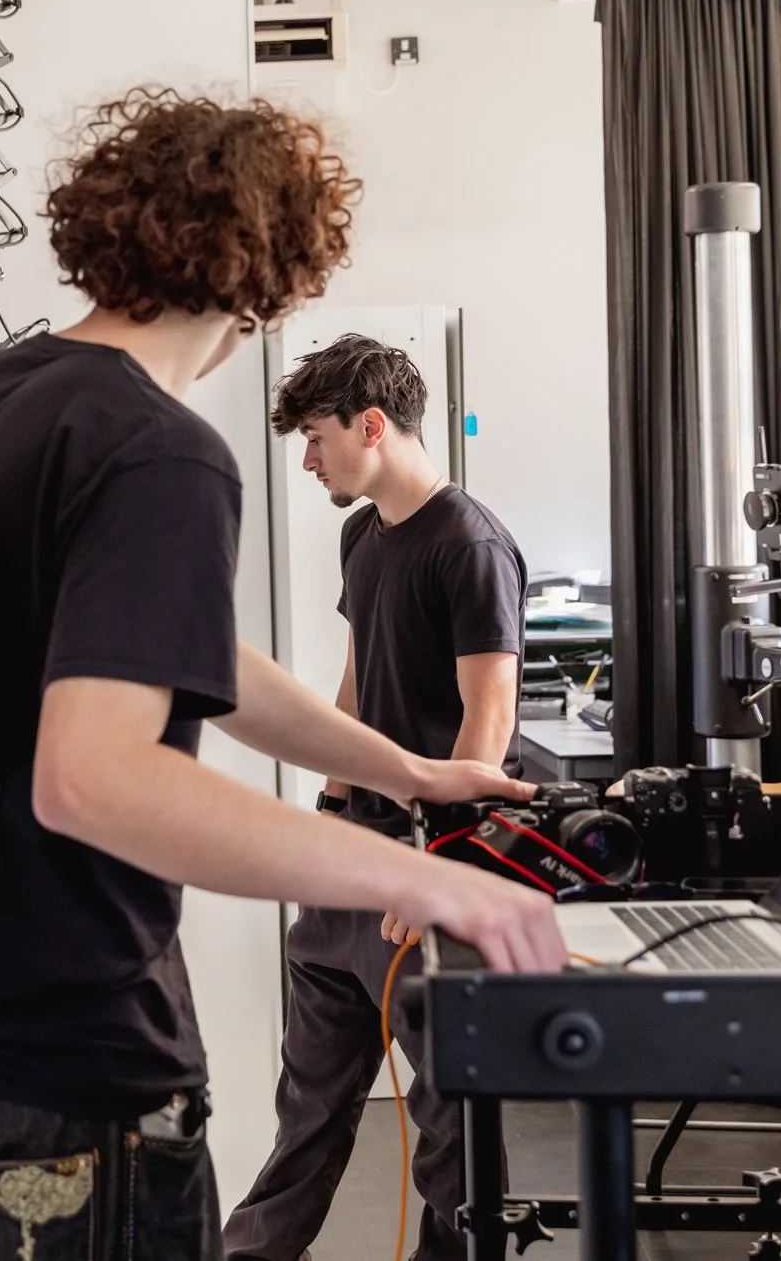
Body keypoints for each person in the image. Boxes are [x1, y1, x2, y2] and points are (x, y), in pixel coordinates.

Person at [0, 88, 564, 1261]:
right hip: (64, 1075)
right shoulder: (157, 446)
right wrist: (436, 882)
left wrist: (407, 771)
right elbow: (93, 778)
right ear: (271, 271)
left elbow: (185, 655)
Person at [226, 335, 528, 1261]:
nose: (309, 459)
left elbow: (490, 720)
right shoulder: (362, 535)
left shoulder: (470, 545)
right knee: (307, 1108)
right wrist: (328, 811)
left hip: (421, 877)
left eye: (316, 438)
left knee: (451, 1139)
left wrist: (430, 869)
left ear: (371, 424)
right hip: (351, 864)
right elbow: (360, 681)